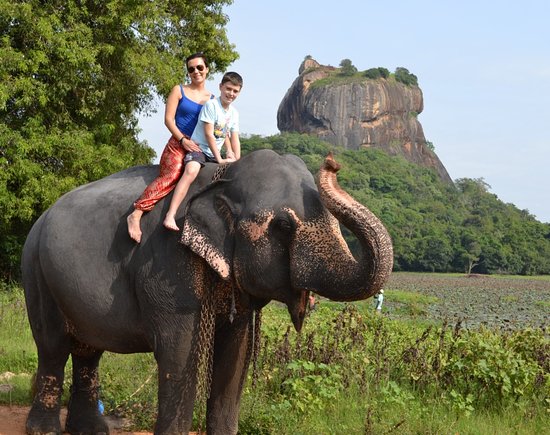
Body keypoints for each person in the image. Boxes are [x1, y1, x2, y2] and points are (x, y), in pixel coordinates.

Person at [127, 52, 212, 243]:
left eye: (199, 67)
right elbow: (168, 120)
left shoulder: (212, 99)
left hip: (198, 147)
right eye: (191, 69)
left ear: (207, 69)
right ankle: (136, 213)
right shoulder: (179, 90)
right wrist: (182, 140)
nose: (196, 72)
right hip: (178, 143)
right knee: (171, 175)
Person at [163, 72, 243, 231]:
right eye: (228, 89)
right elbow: (209, 134)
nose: (231, 94)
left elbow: (234, 138)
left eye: (235, 91)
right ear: (220, 87)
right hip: (200, 149)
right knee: (191, 170)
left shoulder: (234, 113)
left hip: (216, 154)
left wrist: (237, 159)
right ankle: (170, 215)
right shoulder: (211, 105)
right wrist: (219, 159)